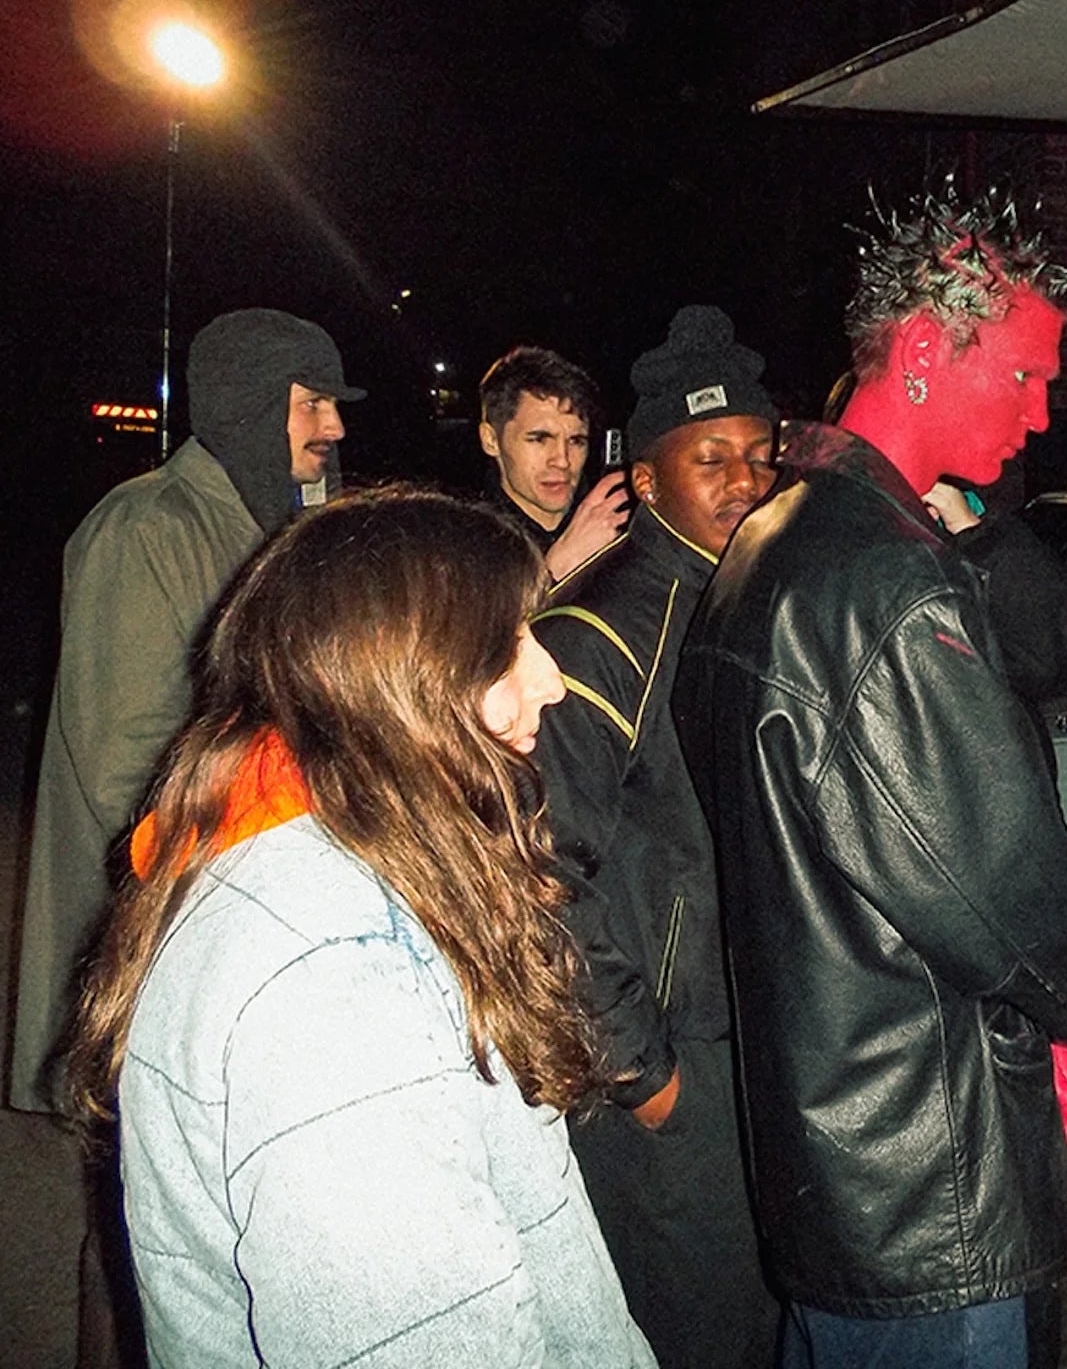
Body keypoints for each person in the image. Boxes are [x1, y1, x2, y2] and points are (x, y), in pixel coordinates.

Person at [64, 487, 657, 1369]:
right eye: (510, 645)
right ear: (404, 680)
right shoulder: (333, 983)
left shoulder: (324, 857)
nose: (552, 679)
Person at [674, 190, 1067, 1368]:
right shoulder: (885, 581)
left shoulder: (772, 537)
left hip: (832, 1153)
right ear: (922, 352)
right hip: (928, 1171)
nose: (1041, 410)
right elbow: (1001, 890)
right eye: (1024, 375)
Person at [9, 307, 361, 1113]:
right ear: (249, 405)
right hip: (160, 903)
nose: (335, 427)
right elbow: (123, 755)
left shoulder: (281, 525)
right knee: (135, 1145)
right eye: (312, 403)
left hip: (239, 890)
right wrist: (231, 877)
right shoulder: (146, 527)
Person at [531, 305, 781, 1369]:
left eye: (760, 455)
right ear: (644, 478)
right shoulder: (598, 633)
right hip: (668, 1064)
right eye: (710, 458)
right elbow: (537, 871)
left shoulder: (749, 601)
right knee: (689, 1330)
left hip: (754, 1042)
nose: (744, 481)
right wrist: (643, 1074)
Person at [478, 344, 631, 582]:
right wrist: (555, 573)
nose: (562, 460)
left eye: (576, 441)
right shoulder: (460, 548)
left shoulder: (620, 528)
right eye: (539, 439)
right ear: (491, 440)